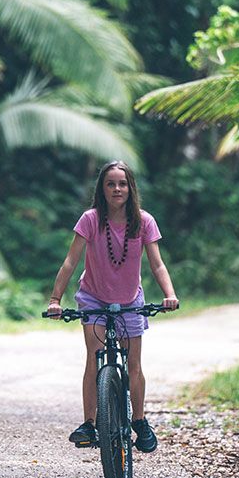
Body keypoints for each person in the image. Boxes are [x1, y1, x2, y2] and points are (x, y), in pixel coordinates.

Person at [46, 160, 179, 452]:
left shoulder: (144, 221)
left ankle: (140, 420)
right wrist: (56, 300)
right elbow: (71, 261)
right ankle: (89, 423)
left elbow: (157, 264)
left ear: (131, 188)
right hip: (93, 297)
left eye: (122, 183)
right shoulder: (90, 220)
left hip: (131, 299)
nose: (117, 189)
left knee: (134, 365)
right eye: (110, 184)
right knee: (93, 357)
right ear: (102, 189)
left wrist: (170, 294)